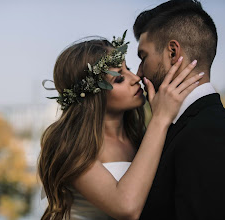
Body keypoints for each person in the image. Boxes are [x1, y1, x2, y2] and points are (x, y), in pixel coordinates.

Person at [38, 33, 204, 220]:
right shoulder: (69, 144)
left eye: (129, 69)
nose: (135, 78)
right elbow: (126, 207)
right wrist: (160, 118)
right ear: (94, 95)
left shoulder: (139, 137)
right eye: (118, 78)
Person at [133, 0, 225, 219]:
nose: (139, 73)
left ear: (172, 52)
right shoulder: (179, 126)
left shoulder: (209, 134)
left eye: (143, 57)